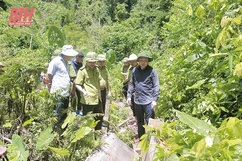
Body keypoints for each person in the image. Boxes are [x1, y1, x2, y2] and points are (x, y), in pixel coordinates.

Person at [127, 52, 160, 142]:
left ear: (148, 61)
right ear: (138, 61)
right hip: (137, 100)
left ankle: (151, 140)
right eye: (141, 60)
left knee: (150, 121)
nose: (143, 62)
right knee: (140, 121)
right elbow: (132, 84)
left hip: (149, 100)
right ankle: (141, 139)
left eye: (145, 60)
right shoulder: (135, 70)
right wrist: (129, 96)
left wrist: (154, 100)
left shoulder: (152, 71)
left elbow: (156, 86)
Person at [46, 45, 78, 127]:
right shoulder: (56, 61)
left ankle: (61, 134)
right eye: (70, 55)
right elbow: (49, 75)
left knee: (64, 114)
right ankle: (54, 132)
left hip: (65, 93)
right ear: (65, 54)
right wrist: (49, 87)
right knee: (56, 114)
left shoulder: (66, 63)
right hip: (58, 93)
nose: (71, 57)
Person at [75, 52, 103, 130]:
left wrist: (99, 94)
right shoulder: (82, 71)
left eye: (94, 62)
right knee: (87, 120)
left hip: (97, 98)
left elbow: (98, 82)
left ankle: (98, 136)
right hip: (88, 99)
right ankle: (88, 138)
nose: (92, 64)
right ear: (86, 61)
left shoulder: (97, 69)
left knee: (99, 118)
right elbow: (77, 84)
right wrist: (83, 92)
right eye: (90, 62)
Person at [127, 53, 138, 125]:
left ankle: (139, 120)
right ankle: (136, 119)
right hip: (131, 89)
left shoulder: (139, 68)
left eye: (133, 61)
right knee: (132, 105)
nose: (131, 63)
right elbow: (129, 80)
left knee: (138, 106)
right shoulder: (130, 69)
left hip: (138, 90)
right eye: (130, 61)